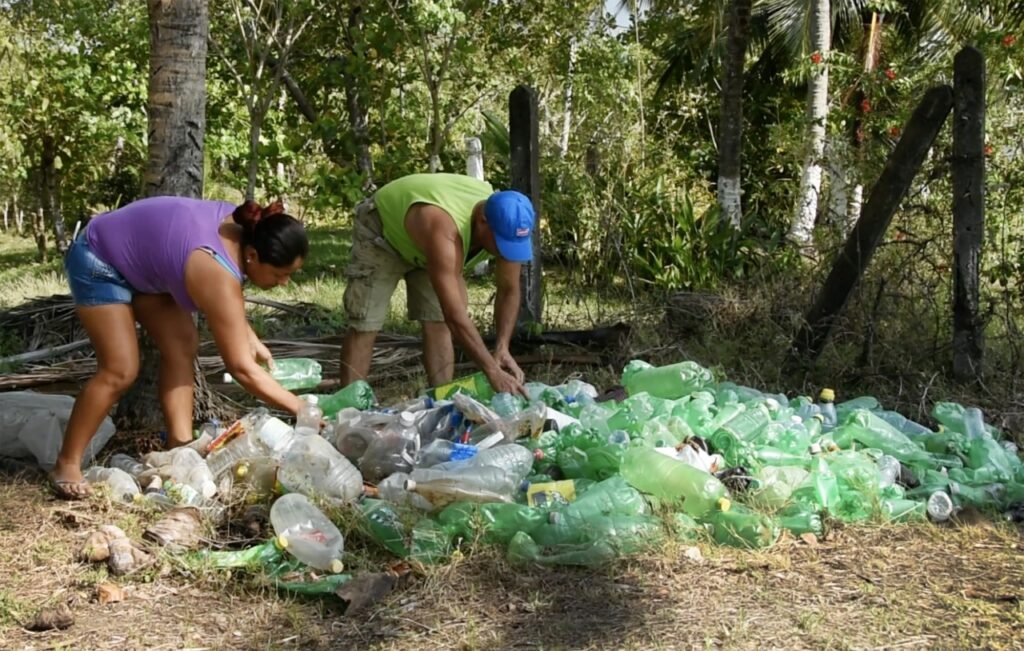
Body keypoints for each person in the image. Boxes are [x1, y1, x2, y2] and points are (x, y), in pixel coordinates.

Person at [52, 196, 309, 499]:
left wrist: (247, 334)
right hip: (100, 258)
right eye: (280, 275)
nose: (284, 284)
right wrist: (302, 409)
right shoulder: (215, 265)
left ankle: (180, 445)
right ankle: (66, 464)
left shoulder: (247, 226)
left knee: (182, 343)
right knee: (120, 369)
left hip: (145, 268)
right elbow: (242, 368)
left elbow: (225, 301)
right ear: (252, 255)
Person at [339, 173, 535, 396]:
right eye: (501, 243)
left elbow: (509, 290)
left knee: (437, 320)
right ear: (482, 221)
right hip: (383, 232)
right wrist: (492, 371)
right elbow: (455, 315)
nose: (504, 252)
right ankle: (349, 411)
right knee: (366, 322)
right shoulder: (446, 230)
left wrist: (502, 348)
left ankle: (442, 400)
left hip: (430, 246)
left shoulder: (508, 223)